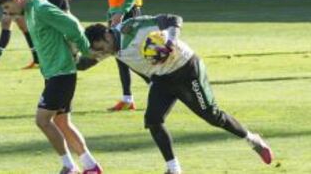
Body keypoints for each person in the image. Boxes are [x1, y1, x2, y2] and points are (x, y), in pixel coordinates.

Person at [83, 14, 274, 174]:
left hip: (187, 68)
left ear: (107, 36)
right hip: (162, 79)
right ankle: (173, 168)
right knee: (153, 120)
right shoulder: (111, 48)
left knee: (213, 116)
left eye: (100, 48)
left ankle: (253, 139)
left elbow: (173, 19)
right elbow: (84, 64)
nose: (101, 53)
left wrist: (171, 39)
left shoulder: (132, 27)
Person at [0, 0, 102, 174]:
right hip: (54, 74)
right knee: (62, 123)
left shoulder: (40, 9)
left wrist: (85, 50)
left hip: (62, 74)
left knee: (42, 120)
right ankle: (91, 166)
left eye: (7, 6)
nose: (7, 12)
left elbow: (72, 25)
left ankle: (69, 166)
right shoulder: (29, 11)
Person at [107, 0, 143, 111]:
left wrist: (122, 12)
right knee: (120, 56)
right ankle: (127, 99)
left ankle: (160, 87)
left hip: (127, 13)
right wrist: (111, 12)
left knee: (132, 56)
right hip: (115, 13)